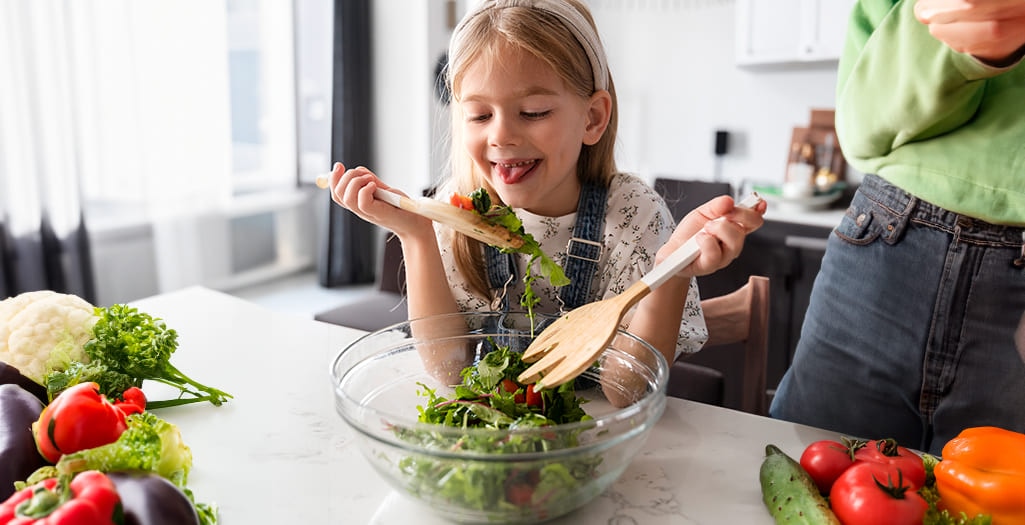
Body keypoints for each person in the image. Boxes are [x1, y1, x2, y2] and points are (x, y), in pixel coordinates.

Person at [324, 0, 765, 384]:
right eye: (479, 115)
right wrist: (416, 236)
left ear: (592, 118)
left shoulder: (633, 214)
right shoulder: (455, 212)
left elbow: (623, 390)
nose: (501, 135)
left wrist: (671, 272)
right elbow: (448, 370)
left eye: (532, 111)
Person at [770, 0, 1025, 455]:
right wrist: (969, 42)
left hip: (890, 234)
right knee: (801, 475)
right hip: (886, 240)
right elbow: (863, 127)